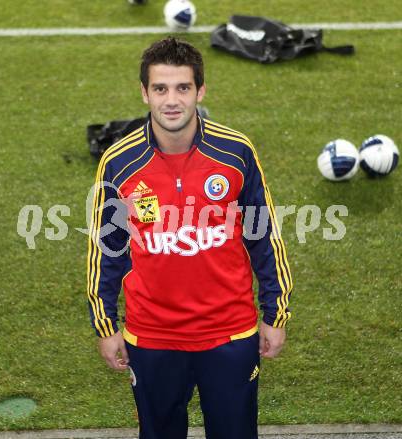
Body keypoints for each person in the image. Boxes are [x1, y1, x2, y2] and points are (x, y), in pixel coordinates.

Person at [87, 37, 293, 439]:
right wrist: (105, 324)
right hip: (152, 337)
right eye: (160, 88)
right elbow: (106, 252)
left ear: (201, 90)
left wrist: (275, 313)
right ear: (144, 92)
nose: (171, 100)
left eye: (183, 88)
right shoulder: (119, 163)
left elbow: (264, 237)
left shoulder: (236, 152)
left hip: (230, 333)